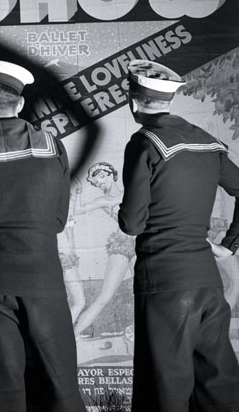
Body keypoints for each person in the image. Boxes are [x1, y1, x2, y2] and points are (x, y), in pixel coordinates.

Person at [0, 60, 85, 412]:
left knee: (1, 394)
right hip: (44, 279)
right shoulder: (51, 144)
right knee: (62, 389)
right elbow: (58, 219)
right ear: (21, 104)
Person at [118, 59, 239, 412]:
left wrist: (121, 214)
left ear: (133, 102)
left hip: (164, 282)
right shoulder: (209, 143)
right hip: (208, 282)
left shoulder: (144, 143)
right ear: (169, 100)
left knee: (165, 389)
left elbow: (132, 224)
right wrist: (229, 246)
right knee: (219, 386)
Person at [72, 162, 135, 337]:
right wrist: (78, 191)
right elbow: (77, 210)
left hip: (142, 243)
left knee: (142, 292)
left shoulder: (129, 192)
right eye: (94, 183)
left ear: (109, 174)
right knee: (104, 296)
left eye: (99, 179)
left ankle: (137, 330)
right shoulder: (103, 200)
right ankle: (73, 335)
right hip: (123, 243)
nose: (97, 184)